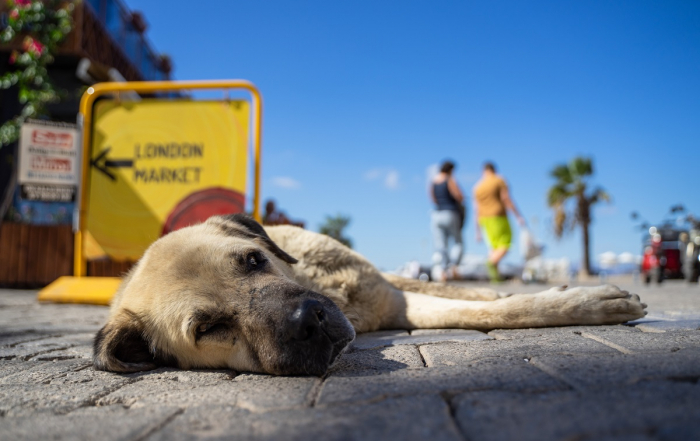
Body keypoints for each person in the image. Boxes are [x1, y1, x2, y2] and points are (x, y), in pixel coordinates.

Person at [473, 162, 525, 282]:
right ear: (494, 170)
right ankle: (491, 262)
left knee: (494, 247)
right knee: (505, 243)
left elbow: (476, 209)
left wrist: (477, 231)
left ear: (483, 171)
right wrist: (518, 216)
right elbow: (506, 198)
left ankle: (496, 278)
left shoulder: (478, 187)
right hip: (498, 215)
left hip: (483, 219)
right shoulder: (499, 180)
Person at [430, 160, 466, 281]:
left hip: (436, 214)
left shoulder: (433, 181)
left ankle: (442, 271)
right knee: (457, 242)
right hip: (450, 213)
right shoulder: (449, 179)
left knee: (441, 245)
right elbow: (459, 196)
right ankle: (453, 266)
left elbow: (433, 198)